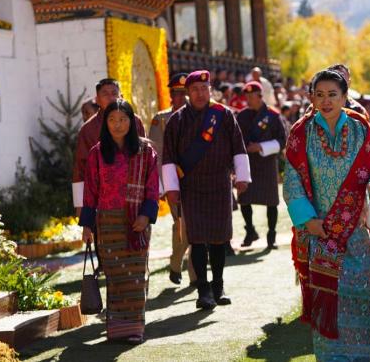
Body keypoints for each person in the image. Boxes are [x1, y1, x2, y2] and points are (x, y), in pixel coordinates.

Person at [284, 69, 370, 360]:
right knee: (327, 305)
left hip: (354, 233)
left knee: (357, 300)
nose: (326, 101)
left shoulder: (359, 128)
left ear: (345, 97)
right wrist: (309, 221)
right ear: (312, 98)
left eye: (333, 94)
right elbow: (292, 180)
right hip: (320, 233)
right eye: (319, 95)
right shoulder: (300, 133)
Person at [162, 70, 251, 309]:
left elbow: (238, 146)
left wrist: (241, 177)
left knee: (219, 238)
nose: (200, 94)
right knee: (198, 240)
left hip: (220, 185)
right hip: (191, 187)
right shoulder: (177, 121)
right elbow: (168, 156)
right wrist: (171, 188)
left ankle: (218, 286)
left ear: (210, 89)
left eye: (204, 89)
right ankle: (203, 290)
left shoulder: (223, 115)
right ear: (187, 93)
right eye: (194, 90)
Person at [80, 99, 159, 344]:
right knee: (115, 279)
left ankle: (135, 328)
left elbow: (152, 187)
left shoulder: (146, 151)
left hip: (136, 222)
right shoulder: (97, 153)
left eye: (123, 119)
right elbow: (91, 190)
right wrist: (87, 225)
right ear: (106, 122)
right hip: (108, 224)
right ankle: (117, 329)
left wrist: (146, 215)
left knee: (135, 277)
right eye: (112, 119)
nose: (118, 124)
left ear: (132, 121)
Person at [149, 73, 196, 286]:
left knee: (196, 225)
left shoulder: (198, 115)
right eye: (177, 93)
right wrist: (161, 185)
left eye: (184, 93)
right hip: (173, 181)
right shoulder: (161, 119)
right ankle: (176, 264)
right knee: (182, 224)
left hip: (197, 179)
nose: (181, 98)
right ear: (171, 94)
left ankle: (195, 275)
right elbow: (156, 154)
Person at [73, 78, 145, 217]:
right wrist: (80, 204)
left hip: (134, 194)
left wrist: (152, 195)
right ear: (97, 100)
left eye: (114, 93)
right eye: (105, 94)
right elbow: (81, 167)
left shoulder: (135, 122)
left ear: (121, 96)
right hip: (102, 197)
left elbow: (146, 158)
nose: (111, 97)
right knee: (105, 236)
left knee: (136, 236)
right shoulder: (88, 129)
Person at [236, 81, 287, 249]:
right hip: (247, 162)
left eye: (252, 97)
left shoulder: (272, 115)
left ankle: (271, 235)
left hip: (267, 163)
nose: (249, 100)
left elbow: (282, 140)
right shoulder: (242, 116)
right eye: (247, 97)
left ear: (260, 96)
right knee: (244, 198)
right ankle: (250, 230)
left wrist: (260, 147)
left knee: (271, 201)